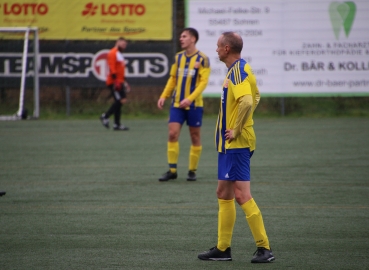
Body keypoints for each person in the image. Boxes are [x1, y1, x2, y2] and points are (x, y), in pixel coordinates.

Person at [197, 32, 275, 263]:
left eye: (219, 46)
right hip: (229, 145)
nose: (216, 49)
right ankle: (223, 249)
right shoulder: (236, 70)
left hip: (236, 144)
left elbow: (249, 101)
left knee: (241, 195)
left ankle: (265, 249)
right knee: (224, 193)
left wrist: (239, 127)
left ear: (227, 48)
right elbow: (256, 95)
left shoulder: (239, 71)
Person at [157, 28, 210, 181]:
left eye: (184, 36)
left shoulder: (203, 59)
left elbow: (203, 82)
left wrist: (190, 98)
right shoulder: (178, 57)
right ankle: (172, 170)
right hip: (176, 104)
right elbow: (173, 79)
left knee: (195, 136)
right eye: (180, 36)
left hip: (195, 105)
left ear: (193, 39)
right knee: (172, 133)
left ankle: (192, 171)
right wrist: (164, 95)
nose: (181, 39)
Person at [100, 37, 130, 131]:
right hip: (114, 82)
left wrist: (124, 81)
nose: (124, 46)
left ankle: (117, 124)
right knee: (121, 100)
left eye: (125, 45)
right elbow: (112, 68)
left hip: (119, 81)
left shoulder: (119, 54)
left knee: (120, 101)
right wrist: (116, 81)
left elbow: (120, 70)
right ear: (117, 42)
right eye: (123, 44)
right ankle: (105, 116)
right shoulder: (113, 53)